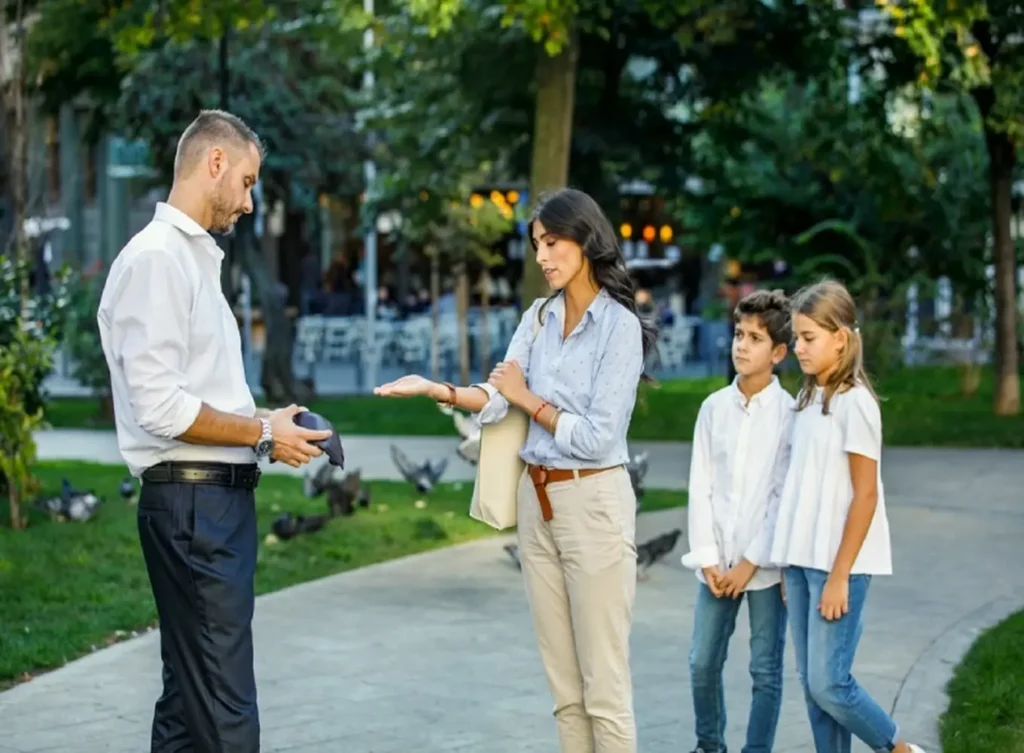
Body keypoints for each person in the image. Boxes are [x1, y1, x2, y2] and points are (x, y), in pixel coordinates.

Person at [374, 187, 657, 753]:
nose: (543, 257)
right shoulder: (539, 315)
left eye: (552, 243)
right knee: (565, 688)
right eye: (536, 246)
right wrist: (441, 390)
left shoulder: (619, 328)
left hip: (594, 504)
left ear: (585, 239)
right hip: (538, 503)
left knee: (604, 686)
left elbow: (597, 437)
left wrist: (530, 401)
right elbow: (501, 397)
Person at [97, 109, 331, 753]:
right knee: (226, 708)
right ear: (216, 163)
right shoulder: (157, 260)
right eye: (249, 182)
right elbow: (163, 408)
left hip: (204, 504)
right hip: (194, 507)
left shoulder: (188, 260)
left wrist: (268, 424)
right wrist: (261, 432)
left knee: (188, 699)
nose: (251, 202)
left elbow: (194, 393)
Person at [767, 279, 927, 753]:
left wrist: (839, 576)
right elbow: (798, 489)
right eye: (796, 337)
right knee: (813, 689)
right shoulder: (808, 400)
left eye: (808, 337)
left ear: (841, 338)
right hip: (800, 562)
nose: (798, 347)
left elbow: (865, 497)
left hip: (839, 567)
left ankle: (899, 749)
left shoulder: (856, 403)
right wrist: (785, 562)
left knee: (831, 684)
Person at [681, 289, 794, 753]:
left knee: (765, 669)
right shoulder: (713, 409)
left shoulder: (792, 416)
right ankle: (710, 745)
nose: (741, 345)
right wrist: (708, 558)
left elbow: (781, 498)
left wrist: (751, 562)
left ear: (779, 353)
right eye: (738, 334)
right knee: (702, 661)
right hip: (716, 565)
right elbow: (700, 486)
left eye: (755, 338)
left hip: (764, 568)